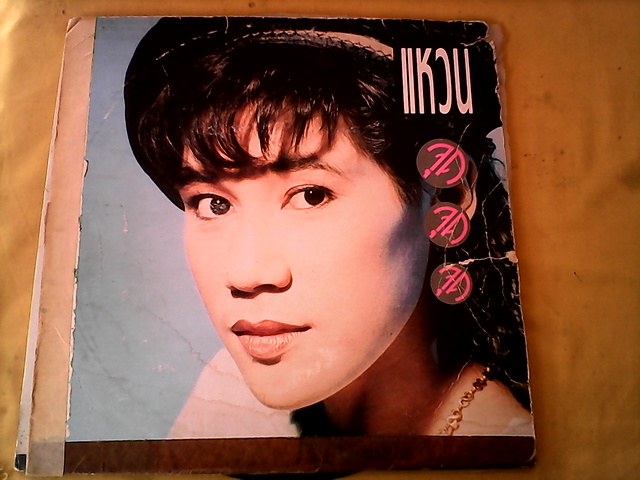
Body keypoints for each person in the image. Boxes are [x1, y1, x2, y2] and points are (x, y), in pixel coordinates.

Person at [124, 17, 534, 438]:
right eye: (215, 203)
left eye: (311, 195)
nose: (246, 274)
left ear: (447, 198)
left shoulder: (505, 440)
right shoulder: (229, 399)